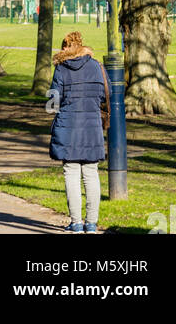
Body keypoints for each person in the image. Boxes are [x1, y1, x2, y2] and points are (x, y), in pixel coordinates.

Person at [49, 30, 109, 233]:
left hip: (68, 126)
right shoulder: (96, 66)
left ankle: (75, 223)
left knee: (71, 173)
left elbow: (52, 104)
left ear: (66, 47)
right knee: (91, 173)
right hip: (92, 125)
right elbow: (104, 95)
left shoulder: (61, 69)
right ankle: (91, 224)